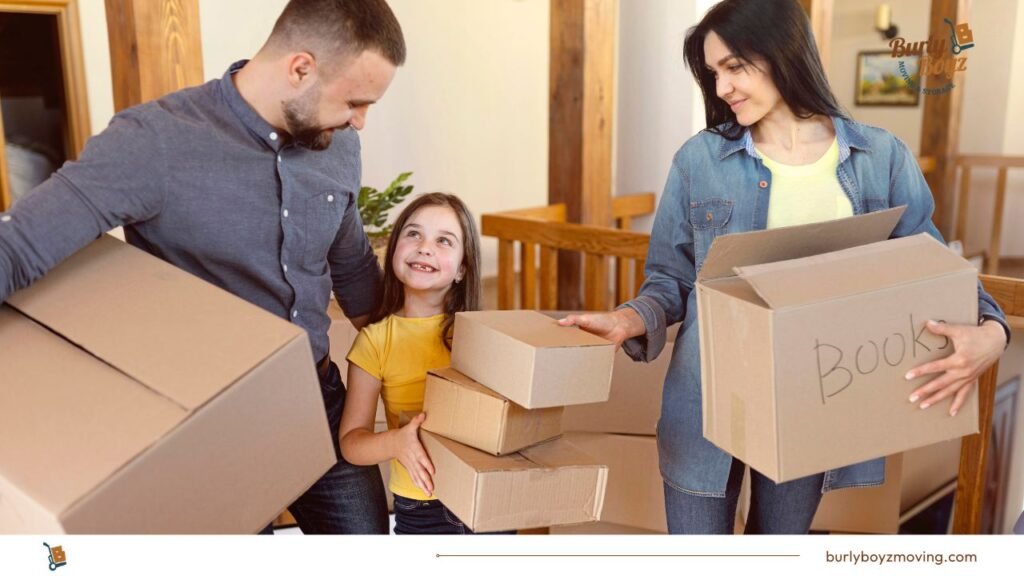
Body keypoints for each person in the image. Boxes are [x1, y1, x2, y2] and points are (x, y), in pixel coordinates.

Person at [559, 0, 1010, 535]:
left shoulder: (881, 158)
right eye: (713, 73)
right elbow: (671, 279)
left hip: (812, 401)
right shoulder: (699, 160)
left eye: (734, 67)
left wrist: (994, 331)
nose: (722, 87)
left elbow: (933, 266)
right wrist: (628, 319)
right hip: (706, 403)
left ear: (782, 52)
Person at [0, 0, 407, 534]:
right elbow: (17, 248)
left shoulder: (338, 144)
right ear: (300, 69)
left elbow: (352, 267)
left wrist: (420, 348)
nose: (360, 121)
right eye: (355, 101)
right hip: (210, 425)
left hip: (317, 398)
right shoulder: (154, 141)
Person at [338, 192, 494, 535]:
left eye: (444, 241)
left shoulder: (482, 337)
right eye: (413, 234)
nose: (425, 247)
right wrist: (395, 442)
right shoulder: (375, 340)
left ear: (462, 268)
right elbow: (351, 442)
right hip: (423, 507)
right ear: (394, 248)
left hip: (488, 500)